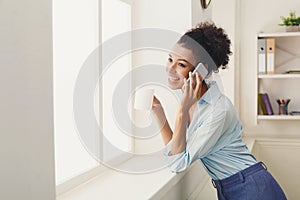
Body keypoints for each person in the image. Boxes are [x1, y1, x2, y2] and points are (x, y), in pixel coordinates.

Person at [151, 22, 287, 200]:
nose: (170, 68)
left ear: (201, 70)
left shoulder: (217, 110)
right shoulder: (193, 101)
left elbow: (178, 163)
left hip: (253, 189)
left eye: (181, 65)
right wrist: (158, 111)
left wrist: (182, 111)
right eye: (170, 59)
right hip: (232, 188)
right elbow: (176, 150)